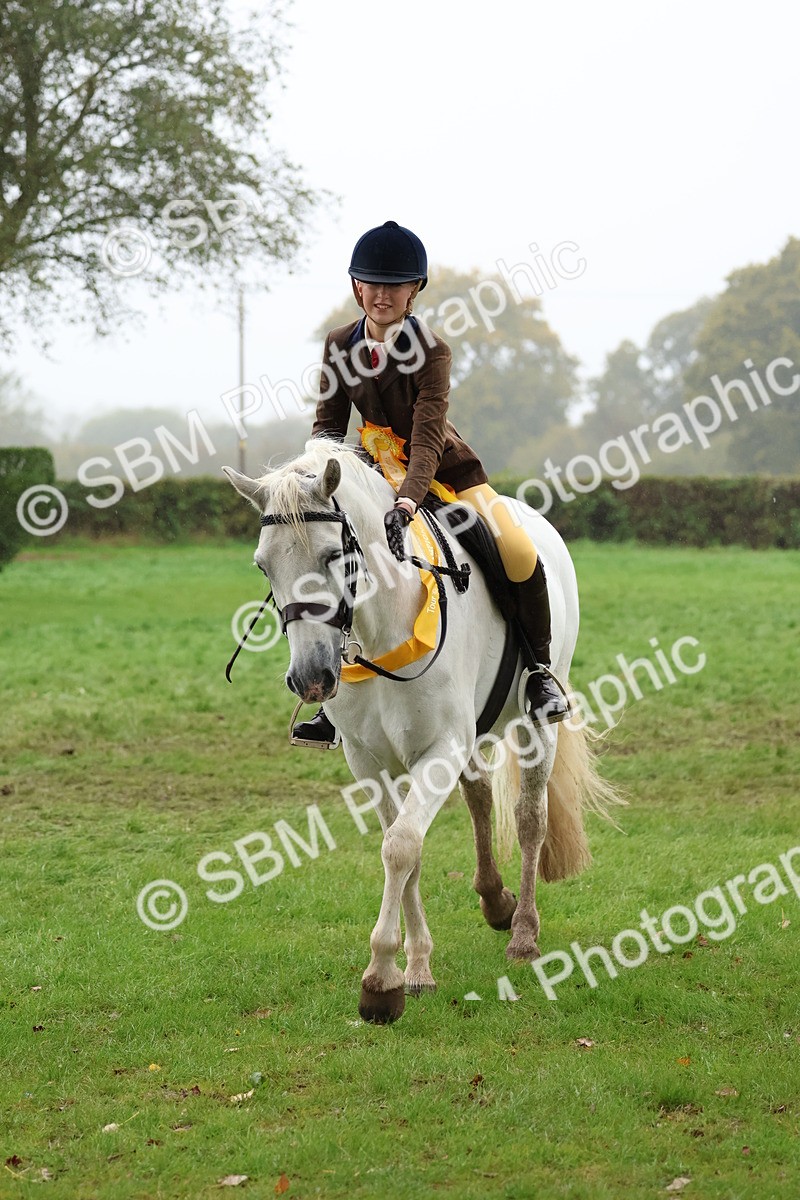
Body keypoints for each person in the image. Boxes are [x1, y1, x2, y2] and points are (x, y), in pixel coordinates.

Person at [291, 220, 568, 748]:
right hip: (368, 473)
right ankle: (337, 702)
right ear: (356, 287)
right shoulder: (336, 345)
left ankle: (539, 675)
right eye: (371, 283)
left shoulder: (432, 351)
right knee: (331, 556)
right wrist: (315, 479)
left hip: (443, 473)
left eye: (394, 285)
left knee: (515, 549)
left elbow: (426, 439)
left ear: (414, 290)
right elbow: (327, 428)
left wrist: (406, 502)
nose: (381, 294)